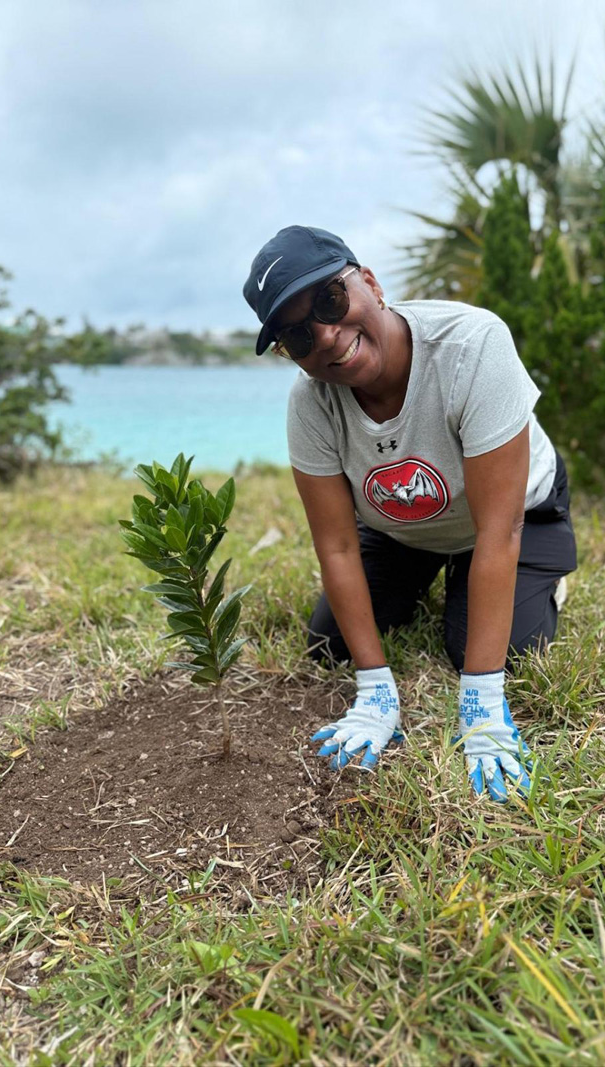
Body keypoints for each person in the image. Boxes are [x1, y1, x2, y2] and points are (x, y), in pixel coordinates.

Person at [243, 225, 577, 802]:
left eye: (330, 300)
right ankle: (432, 573)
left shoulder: (471, 345)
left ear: (369, 282)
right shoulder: (311, 403)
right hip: (404, 529)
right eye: (296, 336)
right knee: (332, 645)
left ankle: (543, 581)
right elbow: (339, 547)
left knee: (494, 648)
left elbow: (500, 530)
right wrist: (374, 689)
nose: (325, 335)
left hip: (510, 519)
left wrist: (482, 705)